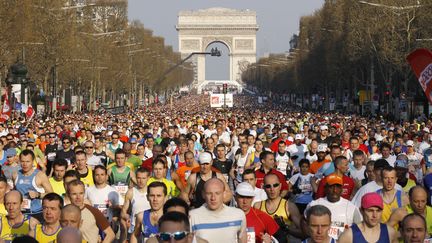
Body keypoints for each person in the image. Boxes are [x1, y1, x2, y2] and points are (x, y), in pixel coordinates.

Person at [305, 174, 362, 240]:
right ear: (325, 188)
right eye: (331, 187)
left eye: (338, 187)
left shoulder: (351, 208)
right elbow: (303, 222)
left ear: (341, 189)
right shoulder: (313, 204)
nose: (335, 190)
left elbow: (360, 229)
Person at [189, 178, 247, 243]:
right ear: (203, 194)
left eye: (217, 193)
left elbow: (242, 239)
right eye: (209, 193)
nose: (213, 198)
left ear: (224, 194)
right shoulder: (192, 216)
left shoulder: (238, 215)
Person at [254, 173, 303, 239]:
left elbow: (303, 232)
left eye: (275, 185)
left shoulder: (289, 206)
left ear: (280, 186)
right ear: (263, 187)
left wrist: (285, 228)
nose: (272, 189)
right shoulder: (257, 206)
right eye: (268, 186)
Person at [13, 149, 53, 221]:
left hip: (37, 212)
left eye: (28, 161)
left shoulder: (40, 175)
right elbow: (15, 193)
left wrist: (38, 194)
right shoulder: (15, 175)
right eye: (22, 161)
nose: (25, 164)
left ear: (33, 161)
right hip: (21, 213)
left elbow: (52, 194)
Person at [121, 167, 151, 238]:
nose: (141, 181)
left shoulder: (152, 192)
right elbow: (123, 212)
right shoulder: (131, 192)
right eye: (138, 178)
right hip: (134, 229)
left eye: (143, 178)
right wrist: (126, 217)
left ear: (148, 178)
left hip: (149, 229)